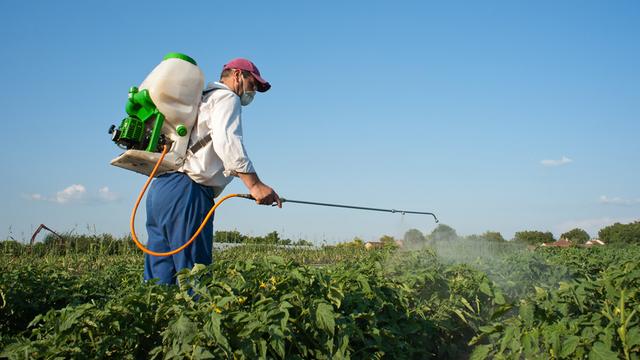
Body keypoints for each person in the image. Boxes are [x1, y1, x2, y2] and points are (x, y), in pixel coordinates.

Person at [143, 58, 281, 285]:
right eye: (252, 83)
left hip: (161, 188)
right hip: (188, 192)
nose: (253, 91)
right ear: (237, 75)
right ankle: (197, 320)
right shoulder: (227, 97)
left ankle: (154, 319)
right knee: (195, 277)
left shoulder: (201, 99)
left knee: (158, 278)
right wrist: (255, 186)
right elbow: (228, 142)